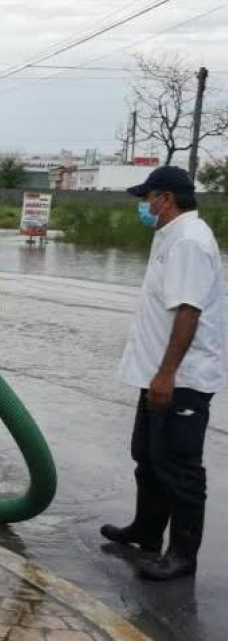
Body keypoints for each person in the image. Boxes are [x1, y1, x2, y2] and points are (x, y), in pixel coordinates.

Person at [101, 166, 224, 581]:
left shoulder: (189, 242)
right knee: (148, 456)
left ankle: (183, 555)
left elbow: (189, 311)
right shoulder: (170, 236)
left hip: (181, 380)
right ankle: (147, 530)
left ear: (166, 198)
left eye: (147, 197)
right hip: (156, 374)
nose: (144, 205)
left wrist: (167, 374)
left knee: (179, 466)